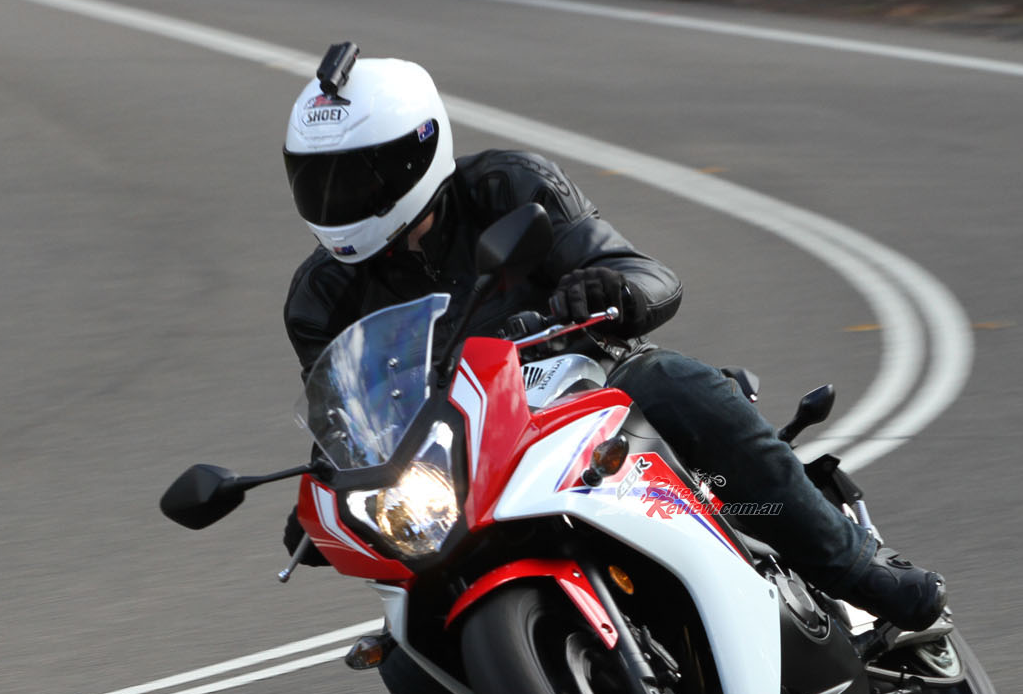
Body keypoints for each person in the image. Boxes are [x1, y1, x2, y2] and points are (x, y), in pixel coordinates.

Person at [279, 44, 947, 636]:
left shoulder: (507, 186)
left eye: (356, 176)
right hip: (464, 455)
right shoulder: (319, 297)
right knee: (408, 657)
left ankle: (857, 570)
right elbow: (347, 411)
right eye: (317, 180)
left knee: (678, 385)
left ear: (417, 150)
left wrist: (612, 291)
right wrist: (328, 492)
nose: (336, 199)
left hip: (589, 387)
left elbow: (644, 272)